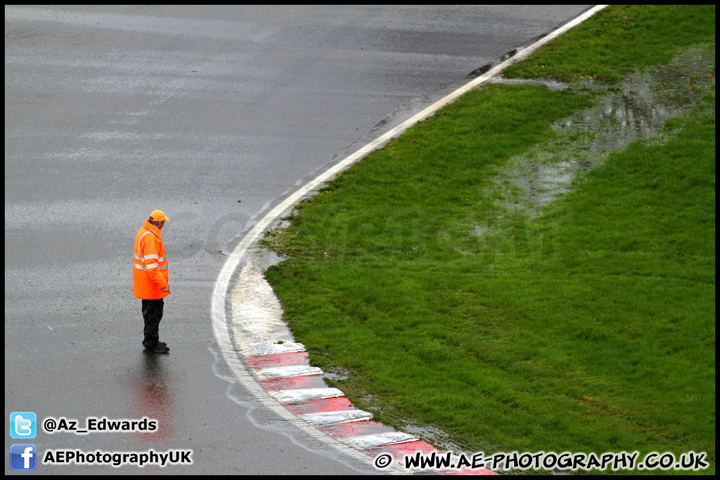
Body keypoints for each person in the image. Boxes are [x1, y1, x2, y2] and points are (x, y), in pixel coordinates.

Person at [133, 210, 171, 353]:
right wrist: (163, 284)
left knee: (151, 314)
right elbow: (152, 267)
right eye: (163, 223)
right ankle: (151, 344)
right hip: (151, 286)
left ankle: (151, 341)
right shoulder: (151, 238)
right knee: (153, 315)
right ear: (159, 223)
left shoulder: (143, 231)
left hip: (145, 284)